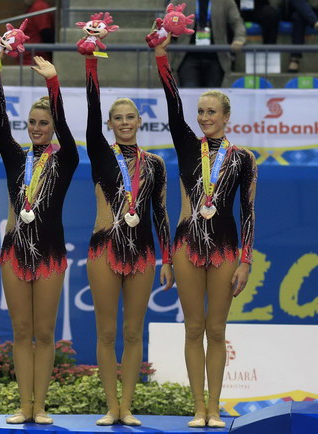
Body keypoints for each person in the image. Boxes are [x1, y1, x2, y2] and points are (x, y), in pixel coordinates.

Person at [154, 33, 257, 428]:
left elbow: (248, 212)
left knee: (217, 329)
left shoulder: (243, 159)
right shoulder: (185, 146)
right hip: (187, 245)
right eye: (201, 111)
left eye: (211, 111)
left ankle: (215, 408)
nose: (203, 117)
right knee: (193, 326)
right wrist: (162, 58)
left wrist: (245, 261)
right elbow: (172, 104)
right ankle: (198, 408)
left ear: (227, 117)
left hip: (227, 246)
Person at [84, 55, 174, 426]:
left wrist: (167, 258)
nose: (124, 123)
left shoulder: (155, 164)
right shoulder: (101, 155)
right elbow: (90, 112)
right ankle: (111, 405)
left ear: (140, 122)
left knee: (133, 331)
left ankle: (128, 406)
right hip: (104, 248)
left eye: (130, 118)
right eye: (117, 118)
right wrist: (91, 62)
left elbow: (161, 214)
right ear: (109, 124)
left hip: (141, 252)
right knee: (106, 332)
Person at [0, 55, 79, 425]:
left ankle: (40, 406)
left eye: (44, 123)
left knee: (44, 332)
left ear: (54, 127)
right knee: (21, 331)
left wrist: (53, 83)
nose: (38, 128)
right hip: (14, 252)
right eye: (32, 123)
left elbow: (69, 131)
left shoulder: (66, 158)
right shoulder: (14, 158)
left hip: (50, 253)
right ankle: (23, 404)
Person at [168, 0, 246, 88]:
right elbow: (167, 20)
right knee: (190, 93)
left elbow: (237, 22)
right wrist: (164, 36)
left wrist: (239, 39)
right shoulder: (179, 1)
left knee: (212, 97)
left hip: (216, 57)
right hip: (187, 57)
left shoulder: (226, 1)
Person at [286, 0, 318, 72]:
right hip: (295, 7)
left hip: (313, 10)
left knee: (298, 16)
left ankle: (295, 59)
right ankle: (314, 22)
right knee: (299, 11)